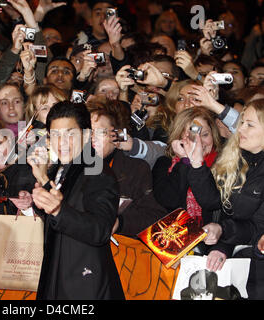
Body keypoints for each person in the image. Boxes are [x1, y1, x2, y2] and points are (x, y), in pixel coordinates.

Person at [28, 101, 124, 299]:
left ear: (87, 135)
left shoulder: (98, 173)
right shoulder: (59, 170)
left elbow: (100, 230)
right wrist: (44, 185)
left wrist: (57, 210)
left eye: (70, 134)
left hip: (87, 287)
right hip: (58, 278)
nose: (62, 142)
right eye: (55, 135)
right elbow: (61, 210)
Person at [184, 99, 264, 274]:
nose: (240, 129)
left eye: (249, 125)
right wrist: (196, 163)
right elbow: (213, 203)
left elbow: (255, 227)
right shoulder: (235, 156)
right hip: (234, 249)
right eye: (242, 123)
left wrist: (222, 232)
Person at [88, 98, 167, 237]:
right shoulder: (72, 167)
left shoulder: (136, 170)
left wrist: (121, 223)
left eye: (100, 132)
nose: (92, 138)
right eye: (87, 132)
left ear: (116, 135)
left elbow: (155, 216)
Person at [152, 107, 222, 227]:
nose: (200, 143)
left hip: (213, 237)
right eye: (192, 137)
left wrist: (197, 165)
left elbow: (213, 203)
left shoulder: (225, 163)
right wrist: (184, 161)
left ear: (213, 134)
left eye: (205, 135)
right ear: (178, 138)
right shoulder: (164, 163)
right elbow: (169, 200)